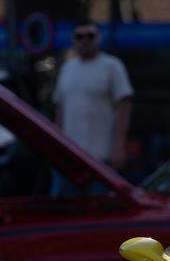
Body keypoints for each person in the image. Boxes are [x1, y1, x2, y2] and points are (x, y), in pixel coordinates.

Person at [51, 20, 133, 196]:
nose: (85, 41)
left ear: (99, 38)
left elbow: (124, 105)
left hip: (101, 158)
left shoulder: (112, 66)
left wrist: (118, 146)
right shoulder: (67, 69)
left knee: (99, 206)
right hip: (70, 158)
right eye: (79, 36)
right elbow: (59, 108)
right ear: (73, 40)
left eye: (90, 36)